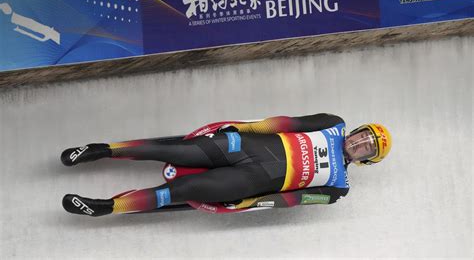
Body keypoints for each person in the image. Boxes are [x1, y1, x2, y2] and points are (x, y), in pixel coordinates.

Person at [61, 113, 392, 217]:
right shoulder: (332, 123)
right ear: (357, 130)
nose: (360, 143)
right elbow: (283, 122)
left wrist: (249, 205)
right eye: (364, 136)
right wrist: (243, 128)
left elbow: (291, 199)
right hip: (244, 146)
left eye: (367, 149)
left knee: (181, 190)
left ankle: (108, 206)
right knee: (176, 152)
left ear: (365, 161)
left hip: (252, 181)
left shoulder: (337, 189)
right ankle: (100, 150)